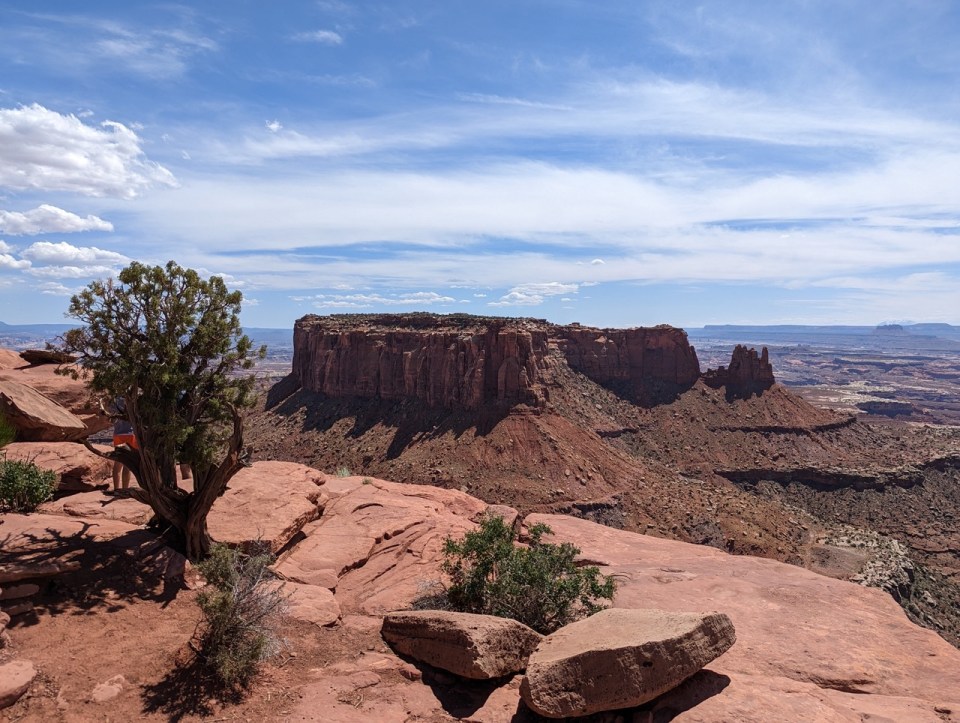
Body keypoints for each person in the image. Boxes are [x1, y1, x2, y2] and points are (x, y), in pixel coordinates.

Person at [111, 397, 137, 493]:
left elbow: (111, 418)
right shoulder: (133, 398)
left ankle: (116, 490)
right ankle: (125, 490)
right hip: (131, 434)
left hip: (119, 434)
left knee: (118, 463)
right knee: (128, 464)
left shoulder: (115, 400)